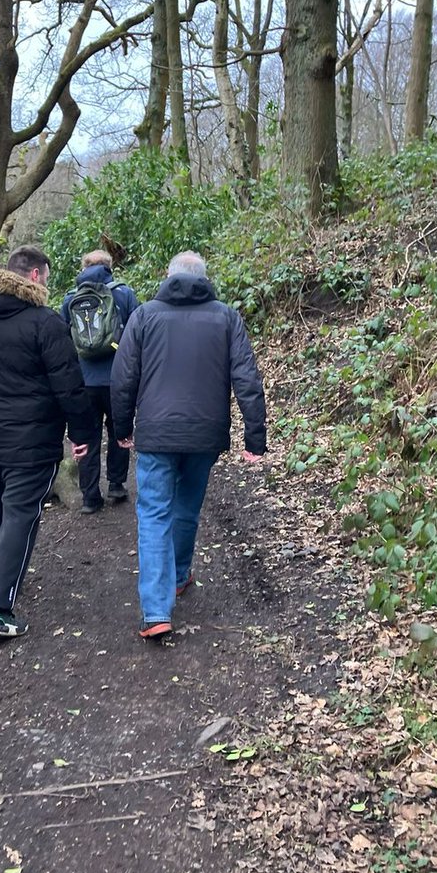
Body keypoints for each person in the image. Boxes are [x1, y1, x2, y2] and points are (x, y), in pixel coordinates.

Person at [110, 251, 266, 639]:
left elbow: (123, 376)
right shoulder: (226, 317)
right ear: (204, 277)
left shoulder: (144, 315)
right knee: (187, 508)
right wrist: (255, 436)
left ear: (168, 277)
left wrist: (121, 425)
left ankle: (156, 610)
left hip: (157, 433)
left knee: (153, 514)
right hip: (205, 434)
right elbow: (246, 377)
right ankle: (178, 576)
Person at [0, 245, 94, 638]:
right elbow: (69, 386)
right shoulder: (45, 323)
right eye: (47, 277)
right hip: (32, 439)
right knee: (21, 514)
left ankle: (5, 581)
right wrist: (84, 434)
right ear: (34, 276)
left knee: (2, 511)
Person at [60, 250, 140, 514]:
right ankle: (116, 484)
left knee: (88, 435)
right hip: (118, 377)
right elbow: (137, 333)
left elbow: (63, 340)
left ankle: (90, 496)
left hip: (84, 380)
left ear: (83, 268)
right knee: (119, 429)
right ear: (109, 267)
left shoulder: (70, 299)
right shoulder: (124, 294)